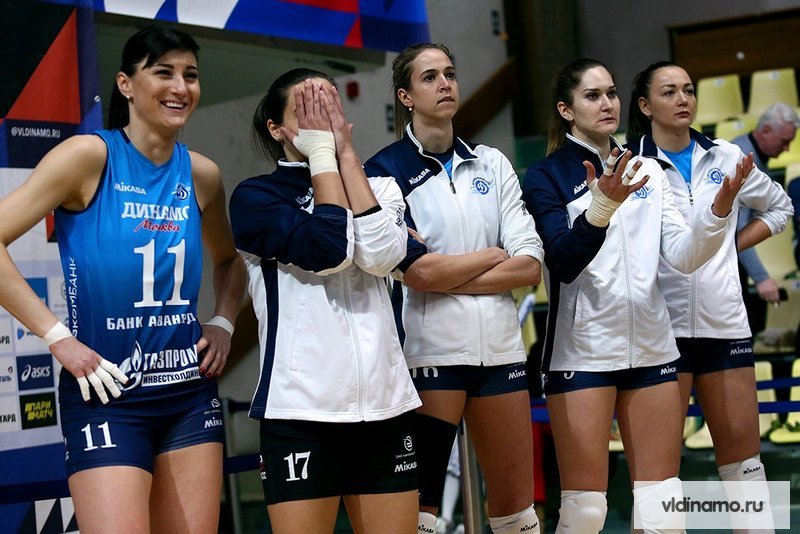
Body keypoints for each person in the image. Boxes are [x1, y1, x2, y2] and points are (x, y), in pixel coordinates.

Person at [0, 26, 247, 533]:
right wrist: (57, 336)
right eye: (164, 72)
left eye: (190, 75)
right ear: (126, 84)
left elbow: (230, 261)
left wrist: (223, 321)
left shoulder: (202, 174)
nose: (180, 86)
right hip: (106, 397)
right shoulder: (89, 156)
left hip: (187, 395)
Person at [522, 58, 743, 533]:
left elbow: (683, 255)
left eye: (611, 93)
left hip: (652, 348)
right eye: (592, 96)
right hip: (583, 352)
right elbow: (561, 260)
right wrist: (601, 205)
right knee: (585, 512)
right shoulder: (544, 176)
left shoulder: (647, 170)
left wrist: (717, 215)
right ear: (566, 109)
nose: (607, 103)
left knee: (662, 508)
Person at [229, 69, 422, 533]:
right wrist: (321, 155)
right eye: (307, 112)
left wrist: (346, 156)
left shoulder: (381, 185)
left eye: (330, 108)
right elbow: (328, 250)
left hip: (385, 407)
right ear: (276, 129)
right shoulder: (256, 197)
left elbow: (382, 256)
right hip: (301, 411)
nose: (322, 121)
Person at [364, 43, 545, 534]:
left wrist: (447, 271)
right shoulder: (382, 172)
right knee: (420, 517)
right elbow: (416, 273)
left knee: (518, 514)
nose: (444, 83)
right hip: (430, 356)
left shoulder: (493, 163)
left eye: (449, 73)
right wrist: (492, 255)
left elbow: (530, 266)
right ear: (405, 96)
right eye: (429, 77)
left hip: (502, 354)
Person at [628, 60, 793, 531]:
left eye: (688, 90)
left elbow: (780, 206)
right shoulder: (629, 166)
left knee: (746, 468)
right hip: (659, 333)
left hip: (725, 326)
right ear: (645, 106)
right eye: (668, 92)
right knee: (658, 480)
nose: (683, 99)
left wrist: (730, 246)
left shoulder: (726, 156)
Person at [732, 103, 800, 333]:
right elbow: (736, 229)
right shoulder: (743, 159)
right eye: (784, 141)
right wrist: (761, 278)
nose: (787, 149)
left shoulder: (752, 154)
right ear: (766, 131)